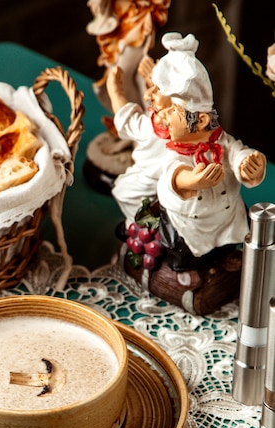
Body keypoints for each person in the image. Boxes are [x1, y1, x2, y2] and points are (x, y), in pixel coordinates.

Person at [152, 32, 266, 271]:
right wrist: (192, 180)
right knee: (184, 252)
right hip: (189, 223)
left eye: (172, 111)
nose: (162, 117)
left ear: (201, 120)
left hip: (224, 218)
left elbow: (238, 153)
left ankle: (223, 257)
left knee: (229, 237)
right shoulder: (176, 150)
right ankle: (186, 267)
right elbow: (174, 174)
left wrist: (249, 166)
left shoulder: (222, 141)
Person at [106, 57, 171, 225]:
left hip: (151, 180)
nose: (147, 94)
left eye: (156, 89)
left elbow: (127, 119)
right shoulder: (188, 126)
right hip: (165, 181)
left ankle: (138, 225)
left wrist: (116, 93)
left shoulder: (155, 128)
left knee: (124, 191)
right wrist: (153, 83)